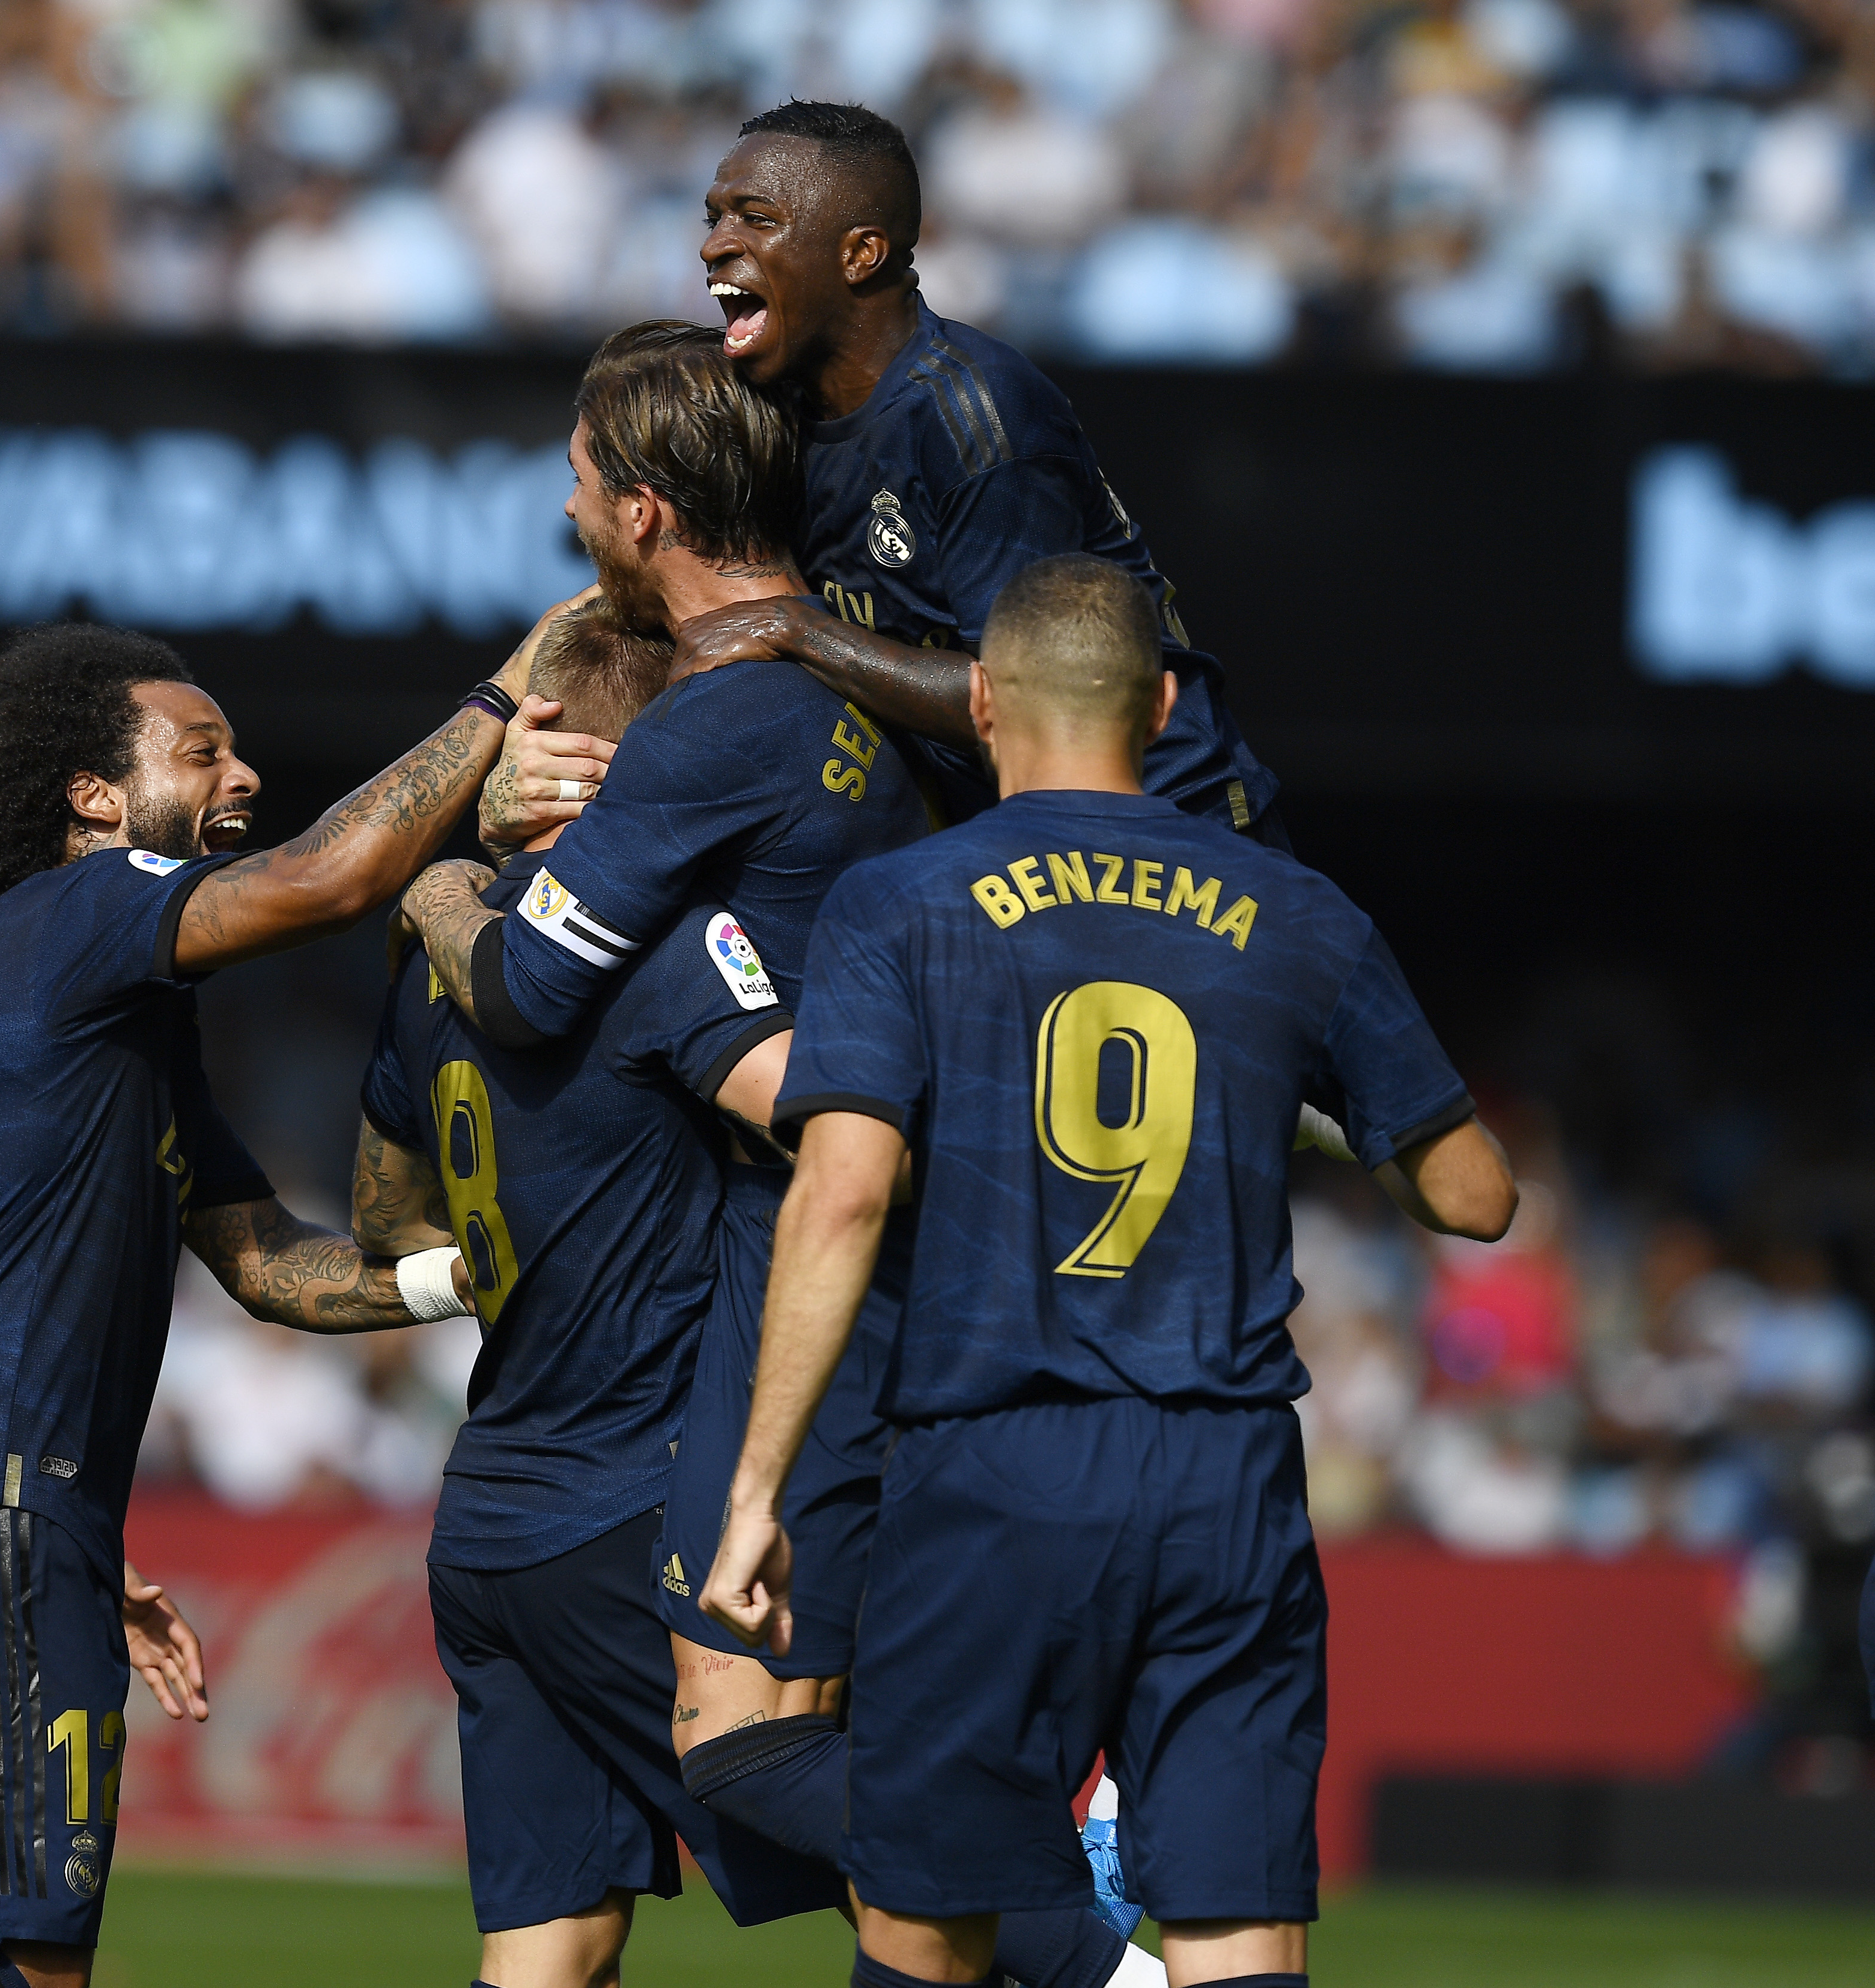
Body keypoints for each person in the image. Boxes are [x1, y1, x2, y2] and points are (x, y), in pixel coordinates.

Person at [403, 324, 1148, 1988]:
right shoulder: (863, 679)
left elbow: (524, 988)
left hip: (826, 1222)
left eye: (585, 479)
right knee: (786, 1729)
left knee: (738, 1728)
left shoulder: (705, 730)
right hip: (945, 1214)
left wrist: (437, 877)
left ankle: (1085, 1918)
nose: (569, 501)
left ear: (647, 511)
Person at [703, 555, 1517, 1988]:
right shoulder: (1298, 911)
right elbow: (1474, 1195)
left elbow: (840, 1194)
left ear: (979, 700)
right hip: (1226, 1475)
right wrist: (1291, 1084)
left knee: (922, 1921)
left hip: (988, 1466)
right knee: (1234, 1922)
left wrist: (757, 1487)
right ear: (1155, 701)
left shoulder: (901, 902)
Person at [0, 611, 552, 1988]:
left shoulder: (93, 1015)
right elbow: (332, 876)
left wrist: (481, 1273)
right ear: (94, 797)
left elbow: (265, 1260)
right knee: (17, 1965)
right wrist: (507, 693)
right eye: (201, 751)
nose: (242, 774)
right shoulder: (81, 911)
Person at [363, 600, 838, 1988]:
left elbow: (390, 1222)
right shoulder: (663, 945)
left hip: (490, 1529)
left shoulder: (424, 968)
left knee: (546, 1957)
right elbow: (818, 1116)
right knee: (918, 1870)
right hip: (637, 1516)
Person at [487, 100, 1281, 854]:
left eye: (756, 219)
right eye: (715, 216)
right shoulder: (773, 403)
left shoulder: (976, 416)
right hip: (1008, 842)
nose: (713, 245)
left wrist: (796, 630)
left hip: (1173, 826)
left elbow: (1031, 699)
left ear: (861, 254)